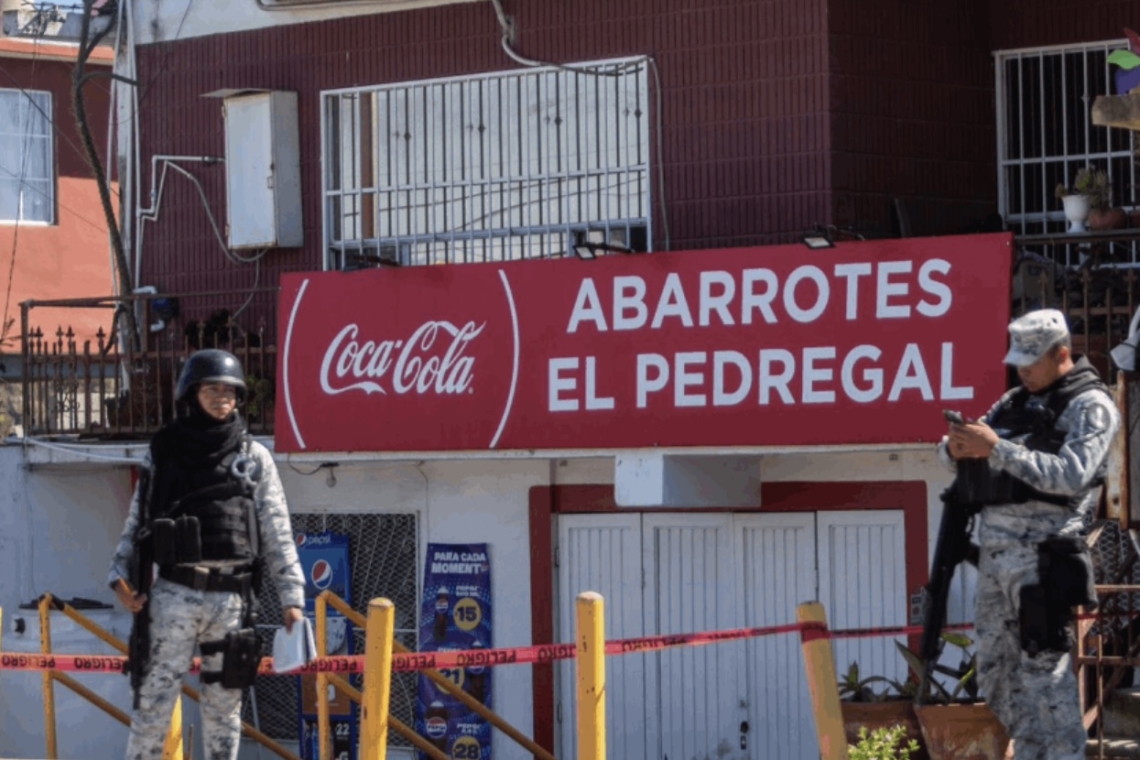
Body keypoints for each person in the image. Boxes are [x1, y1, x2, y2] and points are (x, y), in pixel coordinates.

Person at [939, 308, 1120, 760]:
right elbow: (968, 446)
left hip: (1043, 555)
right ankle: (1032, 752)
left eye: (1031, 360)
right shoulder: (1013, 401)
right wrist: (954, 447)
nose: (1022, 368)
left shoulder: (1091, 405)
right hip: (995, 556)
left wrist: (998, 449)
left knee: (1046, 676)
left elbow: (1071, 475)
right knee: (996, 674)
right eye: (1017, 358)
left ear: (1062, 354)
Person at [109, 349, 306, 760]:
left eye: (230, 390)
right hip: (173, 596)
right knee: (152, 707)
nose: (222, 397)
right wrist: (119, 577)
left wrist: (293, 598)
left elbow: (277, 529)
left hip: (231, 601)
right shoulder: (165, 451)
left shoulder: (253, 458)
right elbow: (138, 519)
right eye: (212, 388)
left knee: (224, 714)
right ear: (192, 392)